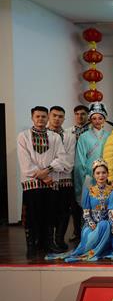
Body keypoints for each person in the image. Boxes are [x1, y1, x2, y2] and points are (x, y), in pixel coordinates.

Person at [18, 106, 66, 257]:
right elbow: (25, 162)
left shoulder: (55, 137)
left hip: (51, 182)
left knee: (50, 214)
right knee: (32, 216)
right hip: (32, 183)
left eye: (43, 116)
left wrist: (48, 169)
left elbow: (61, 158)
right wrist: (43, 176)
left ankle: (48, 244)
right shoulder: (23, 136)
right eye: (37, 116)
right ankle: (32, 246)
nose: (40, 119)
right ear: (32, 117)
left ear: (47, 118)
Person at [47, 159, 113, 262]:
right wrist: (92, 223)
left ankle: (101, 249)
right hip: (91, 225)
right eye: (98, 173)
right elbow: (86, 212)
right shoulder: (89, 191)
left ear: (108, 174)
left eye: (104, 173)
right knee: (95, 231)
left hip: (108, 225)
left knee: (105, 225)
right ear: (93, 175)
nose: (101, 176)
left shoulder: (112, 191)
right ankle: (92, 250)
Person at [48, 106, 76, 251]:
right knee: (49, 211)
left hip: (65, 179)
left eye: (60, 116)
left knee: (64, 211)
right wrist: (52, 167)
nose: (57, 119)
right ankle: (48, 241)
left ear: (64, 118)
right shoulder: (43, 134)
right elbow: (44, 159)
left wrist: (53, 165)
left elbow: (68, 161)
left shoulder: (69, 136)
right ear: (49, 116)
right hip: (48, 180)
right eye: (54, 115)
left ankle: (59, 239)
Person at [74, 103, 110, 204]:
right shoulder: (83, 137)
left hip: (106, 176)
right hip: (89, 176)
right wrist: (84, 177)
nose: (97, 121)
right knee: (89, 205)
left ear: (104, 119)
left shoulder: (109, 136)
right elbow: (80, 162)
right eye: (94, 118)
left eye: (100, 118)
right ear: (90, 120)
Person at [66, 104, 89, 243]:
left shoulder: (92, 132)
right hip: (72, 171)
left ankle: (88, 230)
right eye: (77, 114)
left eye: (83, 114)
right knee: (74, 203)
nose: (80, 116)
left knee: (88, 202)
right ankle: (76, 231)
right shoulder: (68, 132)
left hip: (88, 172)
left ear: (88, 115)